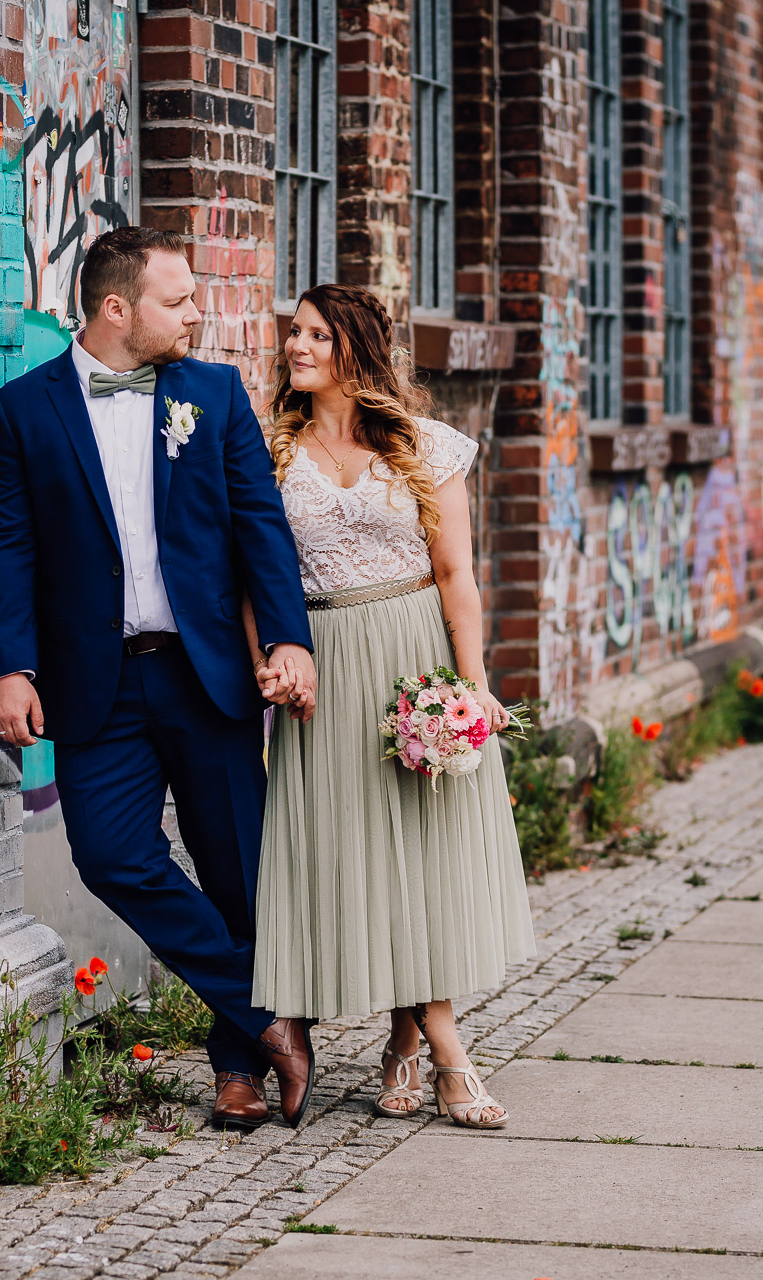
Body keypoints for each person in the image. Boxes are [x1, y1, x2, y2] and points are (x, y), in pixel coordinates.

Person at [0, 226, 319, 1129]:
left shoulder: (211, 393)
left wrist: (287, 640)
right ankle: (269, 1014)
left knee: (237, 874)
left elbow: (261, 528)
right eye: (179, 301)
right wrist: (9, 666)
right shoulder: (26, 409)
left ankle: (237, 1070)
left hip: (204, 674)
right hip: (94, 683)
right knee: (112, 856)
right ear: (116, 309)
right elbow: (12, 547)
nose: (196, 314)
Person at [249, 283, 536, 1128]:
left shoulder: (423, 444)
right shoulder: (270, 450)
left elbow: (456, 575)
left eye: (314, 335)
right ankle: (423, 1048)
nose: (296, 346)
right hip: (323, 667)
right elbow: (250, 579)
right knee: (361, 854)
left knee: (419, 854)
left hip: (413, 655)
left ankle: (421, 1046)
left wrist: (472, 682)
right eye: (293, 333)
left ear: (353, 350)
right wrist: (266, 663)